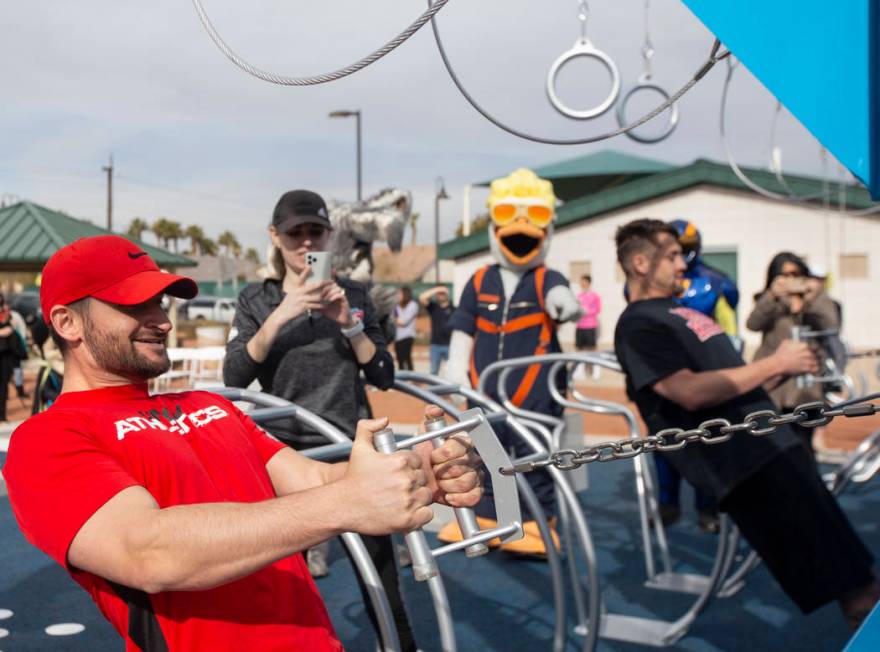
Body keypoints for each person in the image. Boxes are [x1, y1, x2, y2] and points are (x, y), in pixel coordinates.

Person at [4, 234, 483, 651]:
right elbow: (150, 551)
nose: (162, 320)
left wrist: (416, 470)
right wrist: (347, 502)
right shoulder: (46, 441)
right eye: (135, 306)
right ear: (67, 323)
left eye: (161, 304)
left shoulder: (207, 405)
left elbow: (316, 479)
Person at [613, 218, 878, 629]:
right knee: (854, 586)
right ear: (640, 262)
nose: (683, 264)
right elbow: (688, 392)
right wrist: (776, 362)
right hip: (744, 465)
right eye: (671, 256)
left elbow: (731, 380)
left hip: (775, 445)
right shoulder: (639, 323)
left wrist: (779, 371)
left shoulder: (678, 311)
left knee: (856, 569)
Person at [223, 190, 418, 649]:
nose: (306, 242)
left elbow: (383, 374)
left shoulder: (353, 295)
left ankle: (399, 644)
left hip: (349, 448)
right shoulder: (257, 298)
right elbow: (235, 373)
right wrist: (284, 313)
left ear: (330, 236)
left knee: (381, 571)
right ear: (275, 237)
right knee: (275, 576)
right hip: (282, 453)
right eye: (295, 233)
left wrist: (347, 322)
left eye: (316, 232)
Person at [442, 168, 582, 557]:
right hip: (484, 393)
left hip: (535, 396)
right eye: (508, 214)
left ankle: (537, 527)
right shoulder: (479, 279)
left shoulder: (545, 278)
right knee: (487, 459)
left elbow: (562, 297)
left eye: (534, 217)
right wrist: (455, 367)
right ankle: (489, 522)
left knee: (534, 460)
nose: (520, 227)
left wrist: (566, 304)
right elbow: (463, 326)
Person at [746, 252, 840, 458]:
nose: (790, 280)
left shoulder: (816, 298)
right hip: (775, 384)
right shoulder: (769, 299)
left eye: (796, 274)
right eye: (785, 275)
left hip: (806, 385)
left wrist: (810, 298)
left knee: (804, 448)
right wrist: (773, 295)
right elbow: (752, 324)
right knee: (772, 446)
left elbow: (832, 325)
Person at [419, 285, 454, 375]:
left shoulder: (453, 308)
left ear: (447, 294)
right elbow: (422, 298)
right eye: (439, 294)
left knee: (452, 371)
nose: (440, 295)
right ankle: (432, 389)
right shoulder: (433, 307)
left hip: (450, 345)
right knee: (433, 372)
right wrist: (437, 289)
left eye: (442, 293)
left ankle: (451, 389)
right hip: (435, 345)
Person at [393, 286, 418, 371]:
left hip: (407, 336)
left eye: (400, 294)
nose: (398, 296)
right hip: (398, 337)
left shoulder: (413, 305)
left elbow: (403, 322)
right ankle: (402, 380)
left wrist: (394, 319)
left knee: (406, 358)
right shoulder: (397, 306)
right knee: (400, 360)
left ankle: (411, 379)